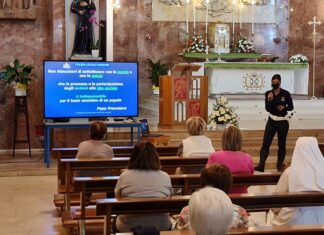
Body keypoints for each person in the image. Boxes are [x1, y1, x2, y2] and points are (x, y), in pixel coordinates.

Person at [114, 142, 172, 232]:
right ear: (155, 157)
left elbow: (117, 198)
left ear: (133, 158)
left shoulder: (125, 176)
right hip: (160, 225)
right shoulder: (165, 176)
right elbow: (169, 196)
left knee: (115, 220)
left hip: (129, 226)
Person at [267, 137, 324, 225]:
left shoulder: (290, 172)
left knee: (271, 215)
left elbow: (276, 202)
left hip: (294, 222)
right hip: (321, 219)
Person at [176, 164, 249, 230]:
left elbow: (180, 230)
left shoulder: (187, 211)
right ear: (228, 185)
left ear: (203, 183)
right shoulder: (240, 213)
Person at [254, 74, 294, 172]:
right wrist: (269, 100)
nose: (275, 84)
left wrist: (284, 107)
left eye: (277, 82)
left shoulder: (286, 93)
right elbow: (267, 109)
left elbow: (291, 107)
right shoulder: (268, 93)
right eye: (273, 82)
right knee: (265, 144)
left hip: (282, 122)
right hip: (271, 121)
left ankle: (279, 167)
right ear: (271, 82)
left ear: (280, 82)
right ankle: (261, 166)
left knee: (282, 145)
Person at [206, 125, 254, 193]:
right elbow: (250, 180)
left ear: (223, 140)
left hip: (220, 195)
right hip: (241, 196)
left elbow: (207, 178)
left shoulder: (214, 156)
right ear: (239, 141)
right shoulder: (247, 157)